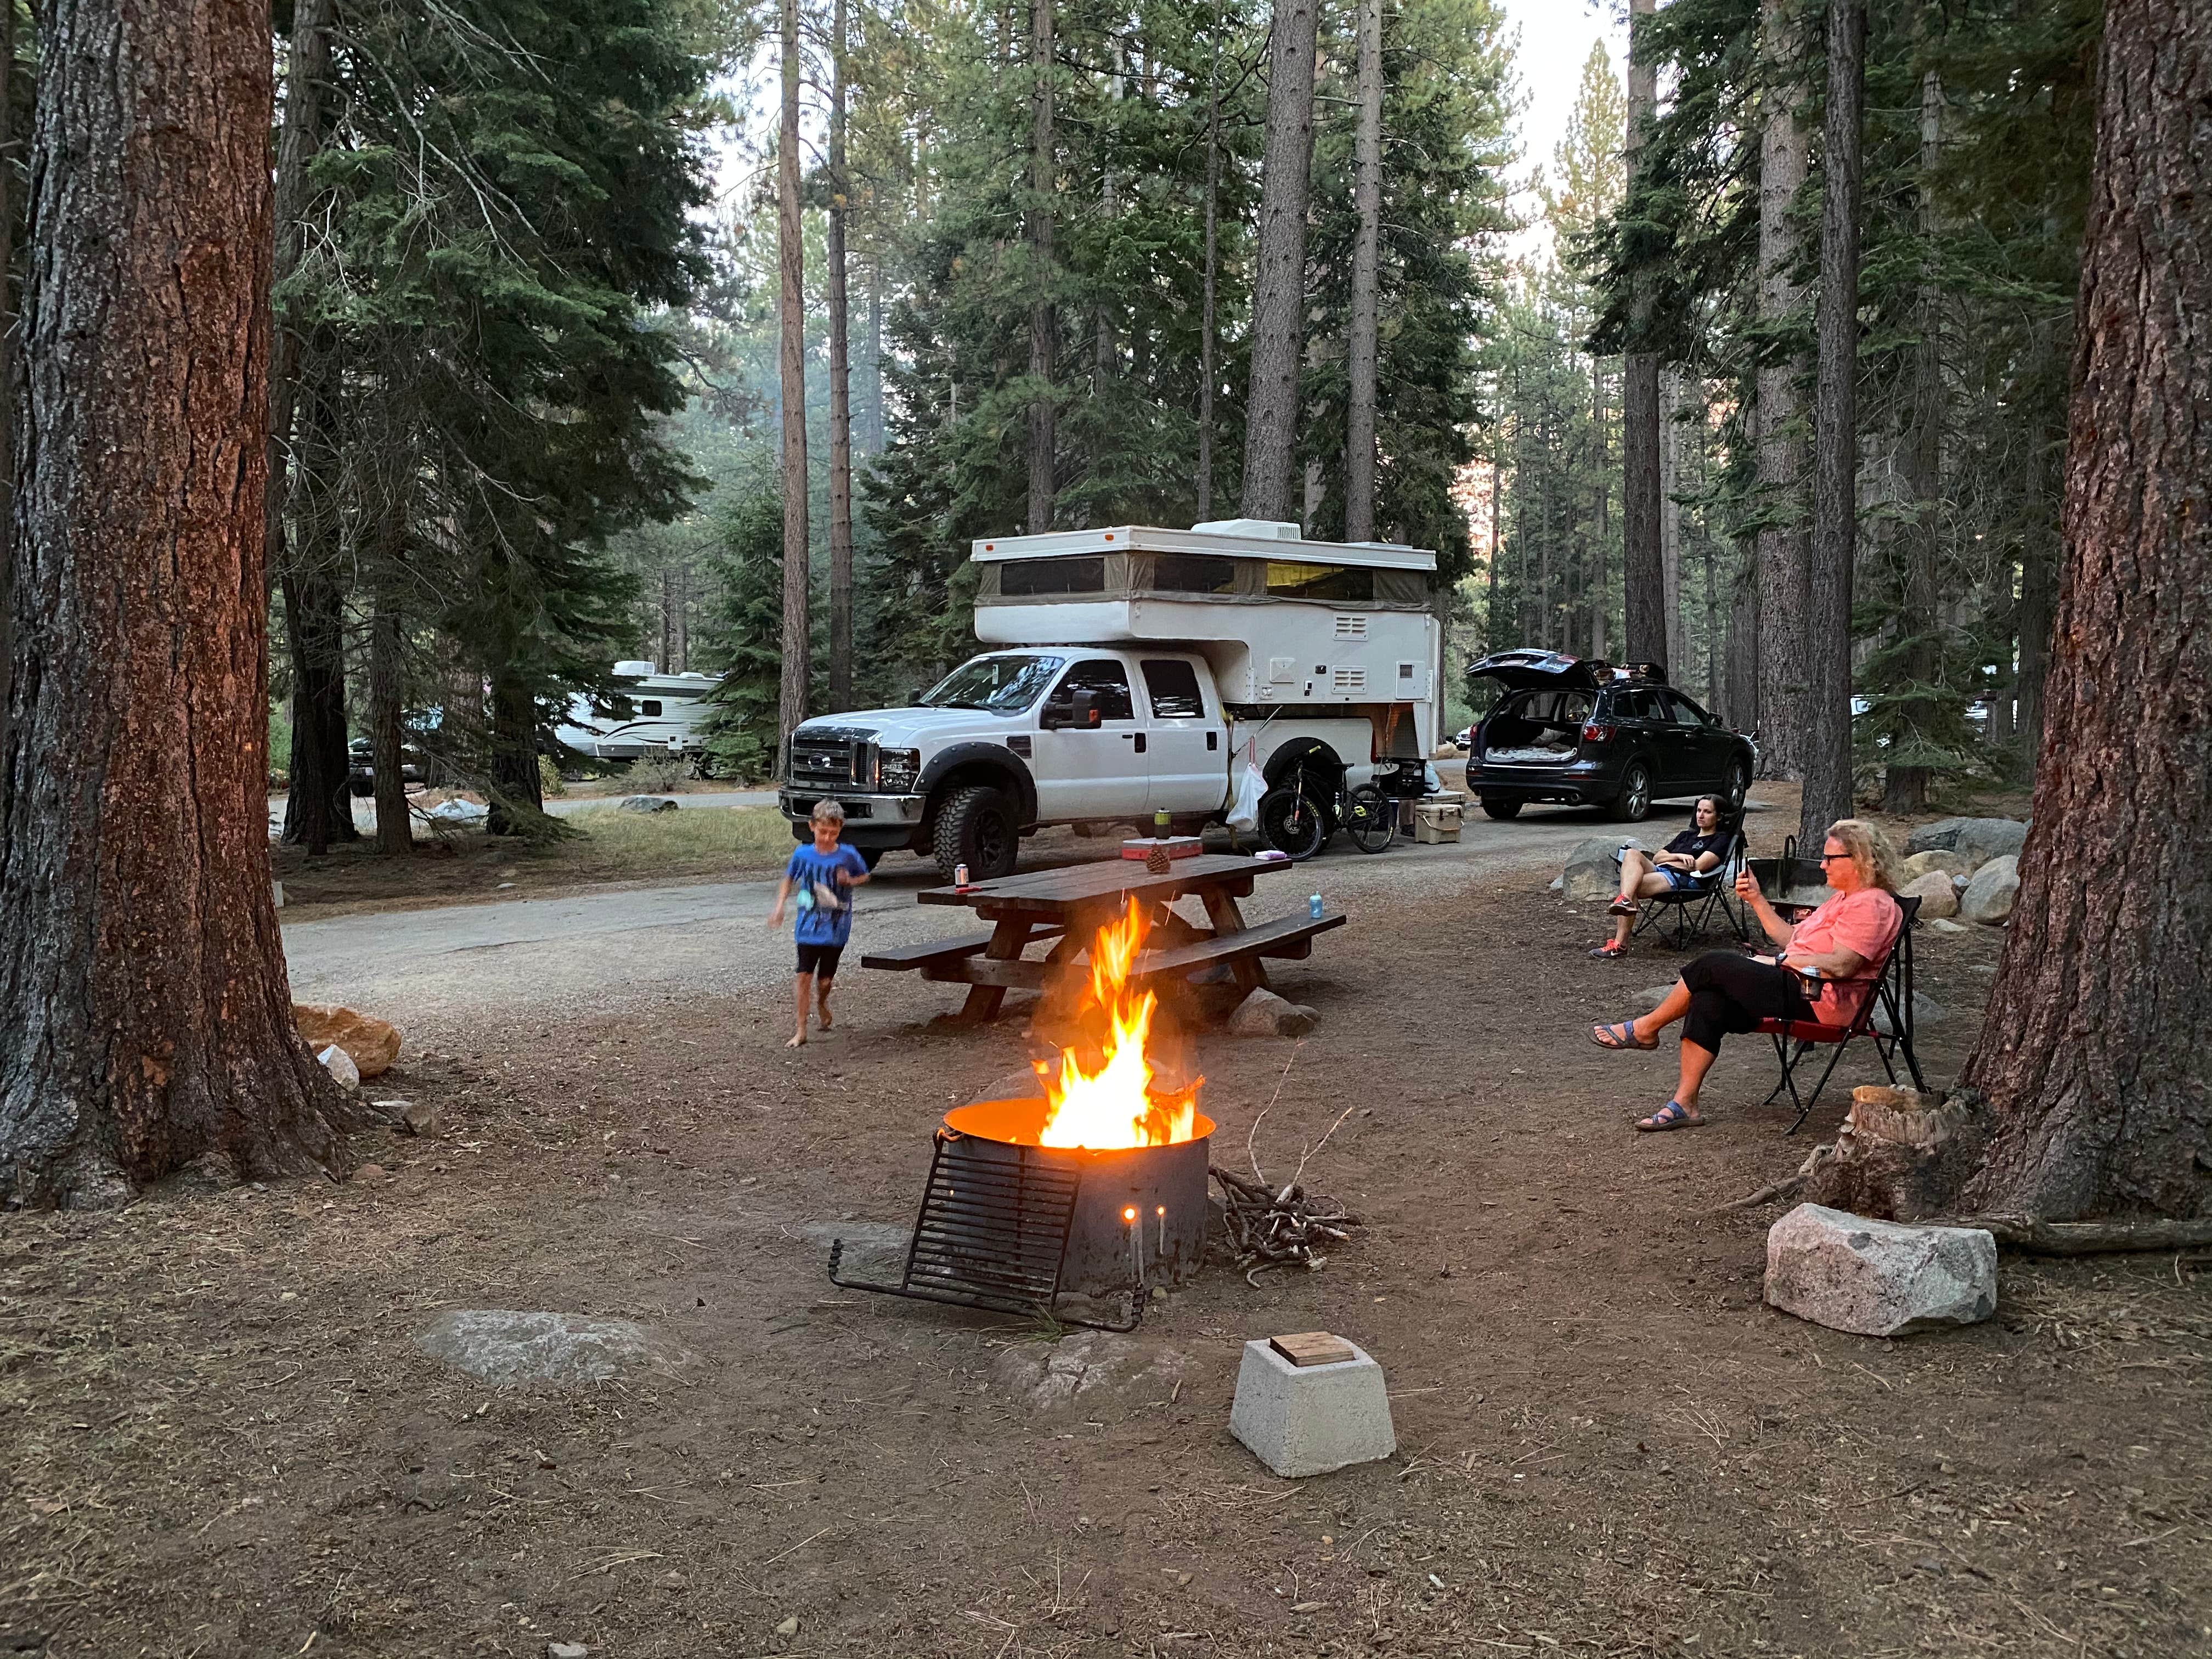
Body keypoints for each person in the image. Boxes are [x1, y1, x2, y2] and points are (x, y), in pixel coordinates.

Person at [1588, 818, 1904, 1131]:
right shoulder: (1843, 899)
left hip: (1823, 1002)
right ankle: (1685, 1104)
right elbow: (1791, 937)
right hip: (1800, 986)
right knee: (1709, 1000)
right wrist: (1756, 898)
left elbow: (1843, 965)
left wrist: (1780, 962)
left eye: (1829, 858)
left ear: (1859, 859)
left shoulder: (1873, 905)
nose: (1823, 866)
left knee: (1714, 964)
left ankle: (1645, 1029)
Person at [768, 799, 872, 1047]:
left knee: (825, 980)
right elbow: (789, 878)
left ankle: (822, 1002)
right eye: (822, 831)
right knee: (803, 974)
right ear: (812, 826)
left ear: (840, 830)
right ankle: (801, 1030)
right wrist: (780, 906)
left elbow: (865, 875)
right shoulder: (802, 854)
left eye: (833, 833)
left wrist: (850, 882)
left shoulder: (848, 854)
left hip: (837, 926)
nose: (827, 837)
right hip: (808, 925)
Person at [1591, 794, 1733, 958]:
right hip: (1664, 870)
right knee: (1631, 854)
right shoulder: (1685, 836)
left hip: (1685, 879)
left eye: (1707, 812)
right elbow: (1657, 857)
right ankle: (1626, 900)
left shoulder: (1720, 839)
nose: (1700, 815)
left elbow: (1698, 865)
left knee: (1631, 883)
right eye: (1699, 811)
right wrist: (1678, 857)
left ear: (1719, 816)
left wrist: (1671, 861)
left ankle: (1620, 944)